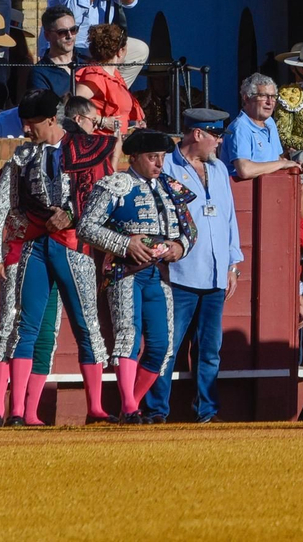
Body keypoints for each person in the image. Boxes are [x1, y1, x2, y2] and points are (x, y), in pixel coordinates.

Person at [0, 89, 117, 426]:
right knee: (25, 326)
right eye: (24, 124)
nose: (27, 131)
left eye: (33, 124)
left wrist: (72, 216)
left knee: (86, 325)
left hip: (73, 245)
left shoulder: (87, 148)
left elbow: (105, 196)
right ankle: (16, 412)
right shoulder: (22, 156)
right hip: (32, 246)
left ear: (53, 120)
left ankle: (96, 408)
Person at [78, 129, 196, 423]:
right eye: (152, 157)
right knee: (127, 336)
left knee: (163, 345)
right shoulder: (115, 184)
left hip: (160, 273)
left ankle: (130, 404)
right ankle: (130, 406)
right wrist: (125, 244)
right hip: (126, 271)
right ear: (135, 157)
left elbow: (190, 230)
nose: (159, 163)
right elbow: (86, 228)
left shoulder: (170, 187)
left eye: (162, 157)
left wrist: (179, 247)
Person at [138, 109, 240, 424]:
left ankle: (207, 411)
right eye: (215, 135)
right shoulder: (165, 165)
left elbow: (229, 216)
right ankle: (157, 411)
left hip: (214, 272)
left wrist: (233, 262)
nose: (220, 142)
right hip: (178, 273)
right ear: (197, 134)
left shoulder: (220, 169)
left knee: (209, 351)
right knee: (166, 347)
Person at [223, 72, 302, 178]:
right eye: (263, 96)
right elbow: (244, 170)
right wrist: (282, 164)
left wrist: (291, 164)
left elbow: (274, 159)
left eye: (273, 96)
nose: (270, 102)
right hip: (245, 192)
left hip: (270, 189)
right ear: (246, 98)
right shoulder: (240, 128)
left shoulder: (270, 122)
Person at [73, 24, 145, 135]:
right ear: (121, 51)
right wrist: (103, 121)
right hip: (98, 143)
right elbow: (74, 106)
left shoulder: (115, 75)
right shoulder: (95, 75)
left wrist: (132, 123)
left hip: (115, 143)